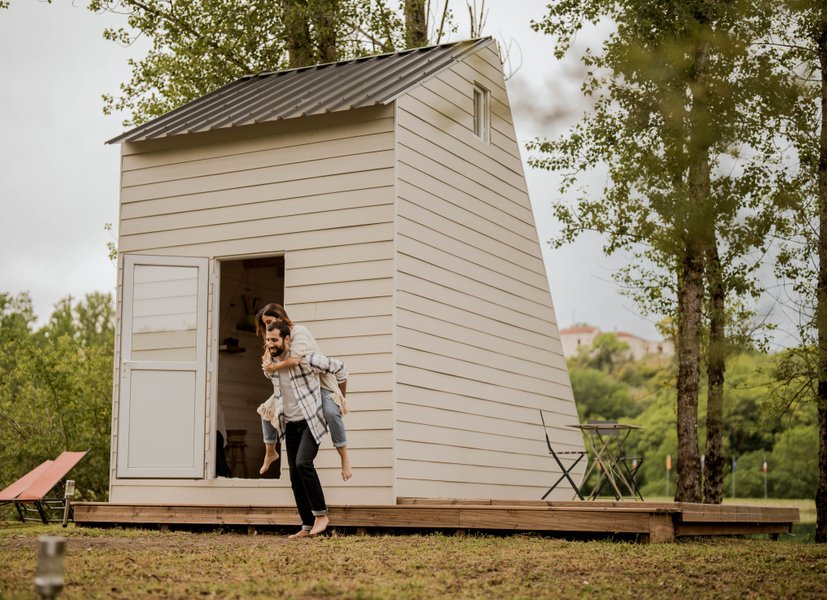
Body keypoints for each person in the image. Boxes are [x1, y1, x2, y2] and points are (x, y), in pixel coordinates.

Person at [259, 319, 347, 538]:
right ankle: (307, 525)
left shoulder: (305, 360)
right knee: (295, 477)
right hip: (290, 424)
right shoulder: (271, 366)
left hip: (311, 421)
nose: (270, 343)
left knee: (303, 463)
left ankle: (321, 515)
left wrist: (339, 396)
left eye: (275, 339)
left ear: (287, 339)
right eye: (268, 340)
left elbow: (340, 367)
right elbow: (272, 377)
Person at [255, 303, 352, 481]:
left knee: (331, 412)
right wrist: (268, 366)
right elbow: (272, 369)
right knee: (266, 411)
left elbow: (294, 360)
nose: (267, 326)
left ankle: (344, 458)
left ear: (280, 318)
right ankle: (270, 452)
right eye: (265, 324)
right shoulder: (273, 339)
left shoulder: (298, 332)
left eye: (270, 321)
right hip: (296, 387)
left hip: (319, 382)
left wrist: (340, 396)